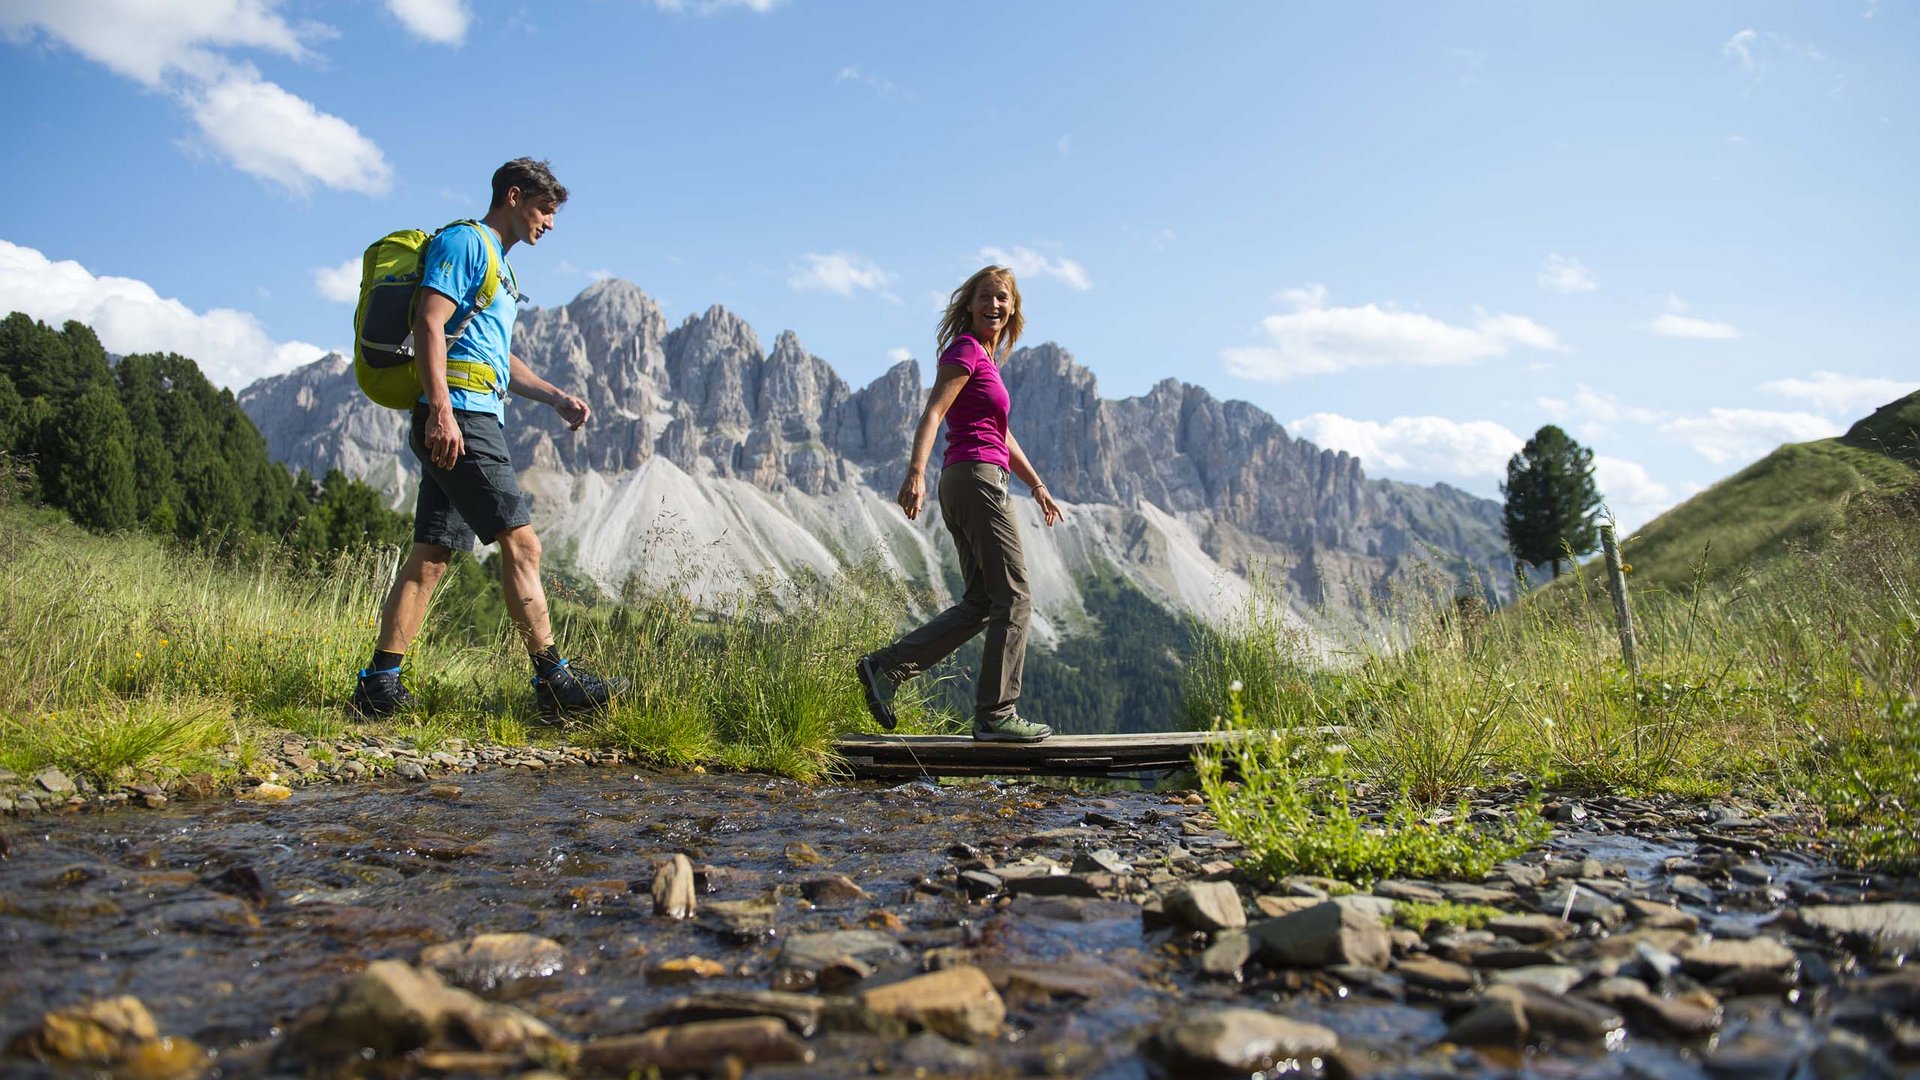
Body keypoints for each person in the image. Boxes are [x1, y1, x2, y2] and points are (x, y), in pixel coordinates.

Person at [351, 157, 622, 720]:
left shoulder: (500, 264)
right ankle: (555, 680)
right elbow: (429, 321)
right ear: (515, 196)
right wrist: (442, 415)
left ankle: (380, 682)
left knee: (432, 555)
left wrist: (553, 396)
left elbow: (494, 353)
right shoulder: (467, 244)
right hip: (462, 419)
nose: (550, 224)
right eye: (545, 211)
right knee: (523, 544)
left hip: (472, 415)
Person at [855, 266, 1064, 743]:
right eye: (987, 297)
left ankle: (885, 669)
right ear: (969, 304)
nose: (995, 305)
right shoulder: (966, 350)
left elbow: (1001, 434)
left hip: (973, 477)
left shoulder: (987, 360)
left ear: (1014, 309)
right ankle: (996, 715)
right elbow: (934, 411)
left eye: (1004, 299)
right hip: (975, 478)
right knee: (1014, 596)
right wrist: (914, 473)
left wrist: (1036, 485)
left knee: (981, 602)